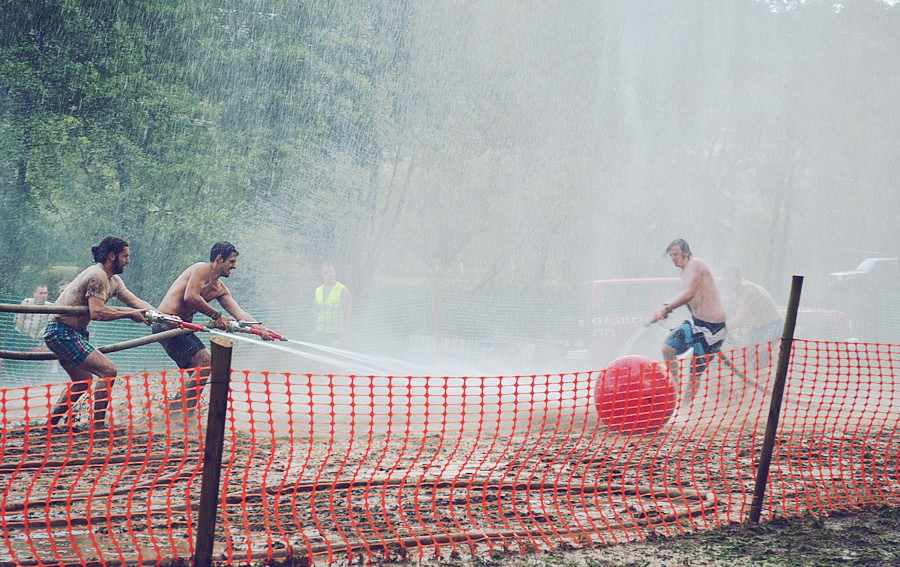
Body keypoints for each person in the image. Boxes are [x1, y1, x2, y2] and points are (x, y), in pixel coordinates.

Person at [43, 236, 152, 432]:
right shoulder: (97, 276)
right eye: (125, 256)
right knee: (108, 371)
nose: (128, 261)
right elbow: (97, 312)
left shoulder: (114, 280)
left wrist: (164, 317)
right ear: (112, 256)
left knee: (83, 383)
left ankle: (49, 426)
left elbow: (136, 302)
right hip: (62, 331)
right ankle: (98, 426)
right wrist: (129, 315)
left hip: (71, 332)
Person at [152, 241, 277, 410]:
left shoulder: (220, 289)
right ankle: (179, 413)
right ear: (219, 259)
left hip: (182, 329)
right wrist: (217, 316)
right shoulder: (201, 268)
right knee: (205, 364)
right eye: (231, 261)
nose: (234, 267)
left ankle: (177, 411)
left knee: (200, 371)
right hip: (166, 324)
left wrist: (261, 329)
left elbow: (239, 314)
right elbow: (191, 296)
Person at [651, 239, 727, 410]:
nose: (673, 259)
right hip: (696, 323)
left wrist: (667, 308)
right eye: (671, 256)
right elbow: (690, 299)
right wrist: (667, 310)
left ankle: (684, 410)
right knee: (668, 349)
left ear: (686, 252)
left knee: (694, 373)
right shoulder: (683, 271)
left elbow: (689, 294)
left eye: (676, 255)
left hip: (713, 329)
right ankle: (675, 393)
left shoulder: (695, 264)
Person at [721, 266, 782, 369]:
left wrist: (722, 329)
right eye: (726, 283)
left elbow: (740, 320)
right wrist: (716, 325)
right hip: (757, 328)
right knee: (749, 355)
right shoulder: (734, 292)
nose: (729, 286)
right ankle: (756, 375)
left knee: (758, 356)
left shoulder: (748, 291)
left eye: (731, 282)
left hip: (773, 325)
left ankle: (764, 376)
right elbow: (728, 313)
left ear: (739, 280)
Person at [313, 262, 352, 347]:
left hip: (336, 334)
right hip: (320, 333)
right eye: (326, 272)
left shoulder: (343, 290)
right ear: (321, 274)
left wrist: (344, 336)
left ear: (335, 272)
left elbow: (348, 315)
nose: (329, 275)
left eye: (331, 272)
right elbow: (314, 312)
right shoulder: (318, 290)